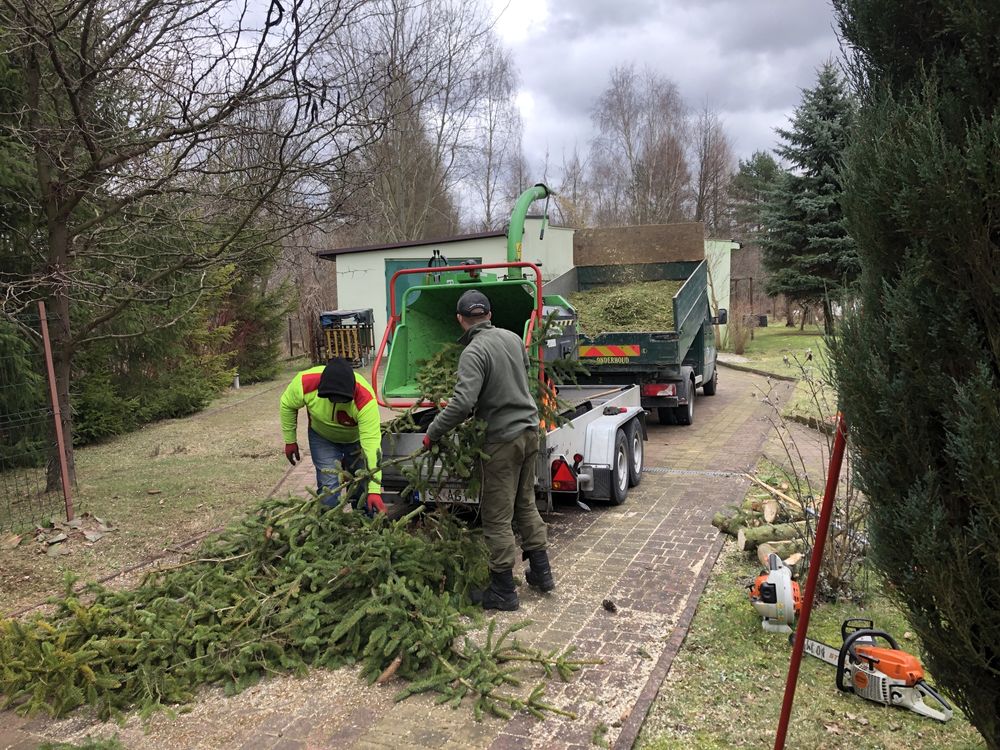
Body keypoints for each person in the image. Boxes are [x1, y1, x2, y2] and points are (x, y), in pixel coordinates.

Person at [422, 289, 554, 610]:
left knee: (496, 516)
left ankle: (503, 591)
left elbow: (464, 401)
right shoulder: (512, 339)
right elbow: (516, 379)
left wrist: (434, 431)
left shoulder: (473, 352)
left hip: (503, 440)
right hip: (528, 431)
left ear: (460, 320)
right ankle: (542, 573)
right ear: (490, 315)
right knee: (525, 504)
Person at [280, 357, 385, 514]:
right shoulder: (305, 382)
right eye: (331, 398)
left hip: (355, 440)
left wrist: (375, 490)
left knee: (360, 485)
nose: (336, 401)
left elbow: (372, 446)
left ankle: (365, 525)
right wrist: (290, 441)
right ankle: (329, 523)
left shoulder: (365, 400)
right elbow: (287, 404)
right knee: (329, 487)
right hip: (322, 437)